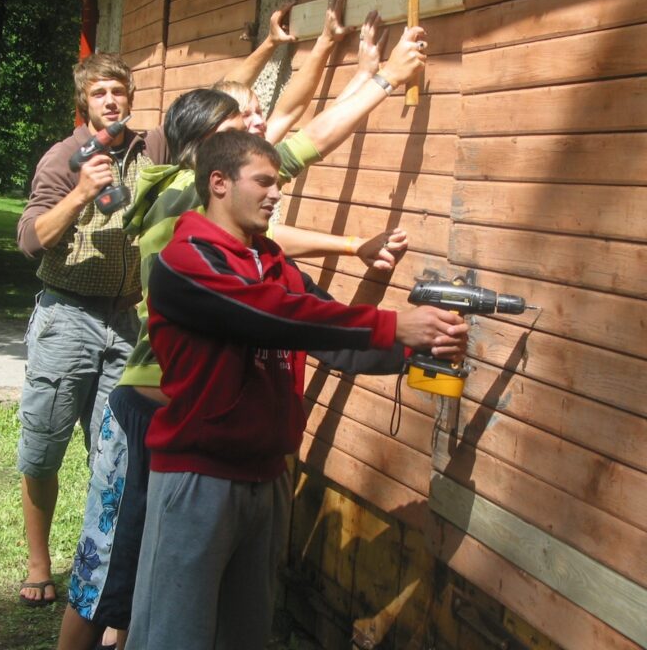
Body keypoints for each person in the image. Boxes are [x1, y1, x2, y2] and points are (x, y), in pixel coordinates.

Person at [57, 15, 428, 649]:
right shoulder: (178, 199)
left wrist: (338, 59)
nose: (259, 127)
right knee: (109, 577)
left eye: (256, 121)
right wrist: (384, 80)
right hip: (155, 416)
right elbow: (304, 140)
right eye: (242, 124)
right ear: (208, 158)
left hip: (218, 433)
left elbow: (291, 135)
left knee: (166, 592)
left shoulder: (239, 227)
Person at [125, 130, 469, 650]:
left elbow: (332, 342)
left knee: (246, 636)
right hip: (198, 479)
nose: (275, 194)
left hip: (268, 479)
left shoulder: (277, 264)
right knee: (173, 637)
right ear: (218, 183)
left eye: (278, 183)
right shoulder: (185, 260)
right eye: (263, 181)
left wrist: (420, 348)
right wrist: (392, 324)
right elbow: (266, 316)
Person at [14, 53, 167, 608]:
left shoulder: (149, 149)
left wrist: (270, 47)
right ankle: (38, 563)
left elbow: (218, 102)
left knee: (119, 450)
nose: (111, 101)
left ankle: (98, 560)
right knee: (43, 448)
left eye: (119, 91)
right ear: (85, 101)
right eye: (100, 92)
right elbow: (31, 239)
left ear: (130, 97)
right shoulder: (63, 158)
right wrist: (80, 191)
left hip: (125, 319)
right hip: (67, 317)